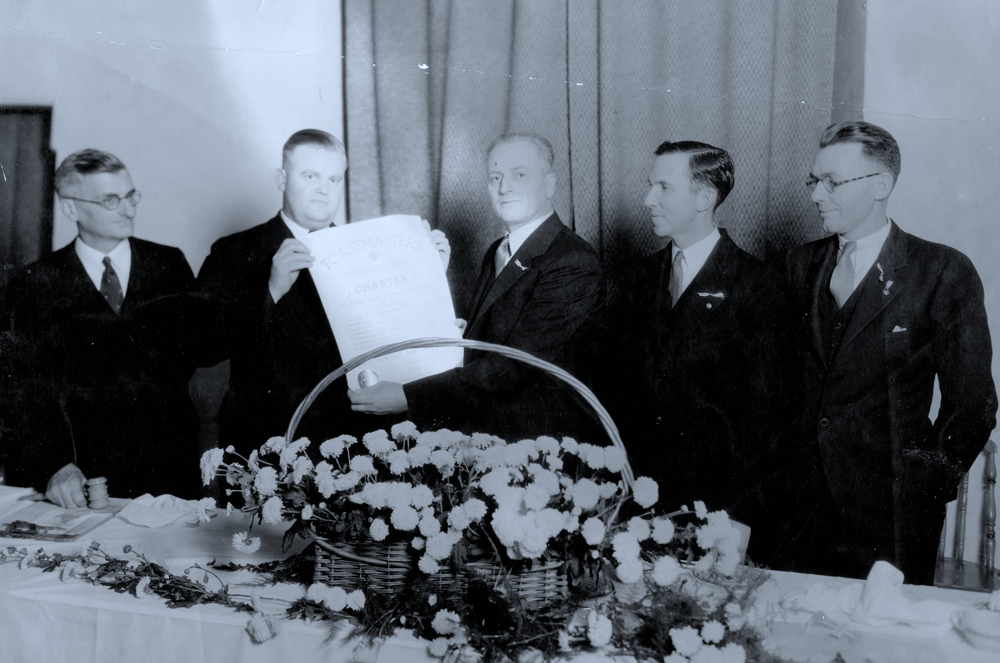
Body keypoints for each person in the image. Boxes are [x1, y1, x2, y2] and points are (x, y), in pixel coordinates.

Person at [783, 121, 997, 584]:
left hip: (894, 522)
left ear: (881, 184)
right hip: (799, 512)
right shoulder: (798, 265)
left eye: (832, 182)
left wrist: (920, 489)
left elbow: (974, 405)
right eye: (813, 181)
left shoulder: (942, 270)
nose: (817, 195)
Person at [196, 129, 451, 455]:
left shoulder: (367, 251)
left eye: (334, 180)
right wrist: (271, 289)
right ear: (281, 179)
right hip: (265, 440)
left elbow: (395, 343)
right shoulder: (232, 251)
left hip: (349, 443)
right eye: (310, 175)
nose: (323, 190)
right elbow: (203, 344)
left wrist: (427, 276)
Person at [607, 141, 797, 563]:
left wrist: (741, 514)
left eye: (663, 187)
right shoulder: (633, 281)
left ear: (705, 198)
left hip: (717, 511)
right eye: (649, 186)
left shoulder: (759, 286)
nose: (647, 199)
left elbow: (769, 419)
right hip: (634, 504)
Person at [348, 133, 603, 441]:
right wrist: (431, 284)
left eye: (519, 175)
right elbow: (486, 338)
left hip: (536, 444)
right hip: (488, 435)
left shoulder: (572, 260)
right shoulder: (497, 250)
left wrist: (408, 396)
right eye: (495, 176)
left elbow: (515, 366)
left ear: (549, 184)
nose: (504, 187)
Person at [1, 149, 201, 506]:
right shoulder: (33, 283)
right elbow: (19, 391)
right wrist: (54, 464)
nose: (128, 209)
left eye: (130, 195)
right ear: (70, 208)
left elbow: (192, 357)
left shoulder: (169, 264)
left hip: (169, 470)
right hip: (83, 479)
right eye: (110, 200)